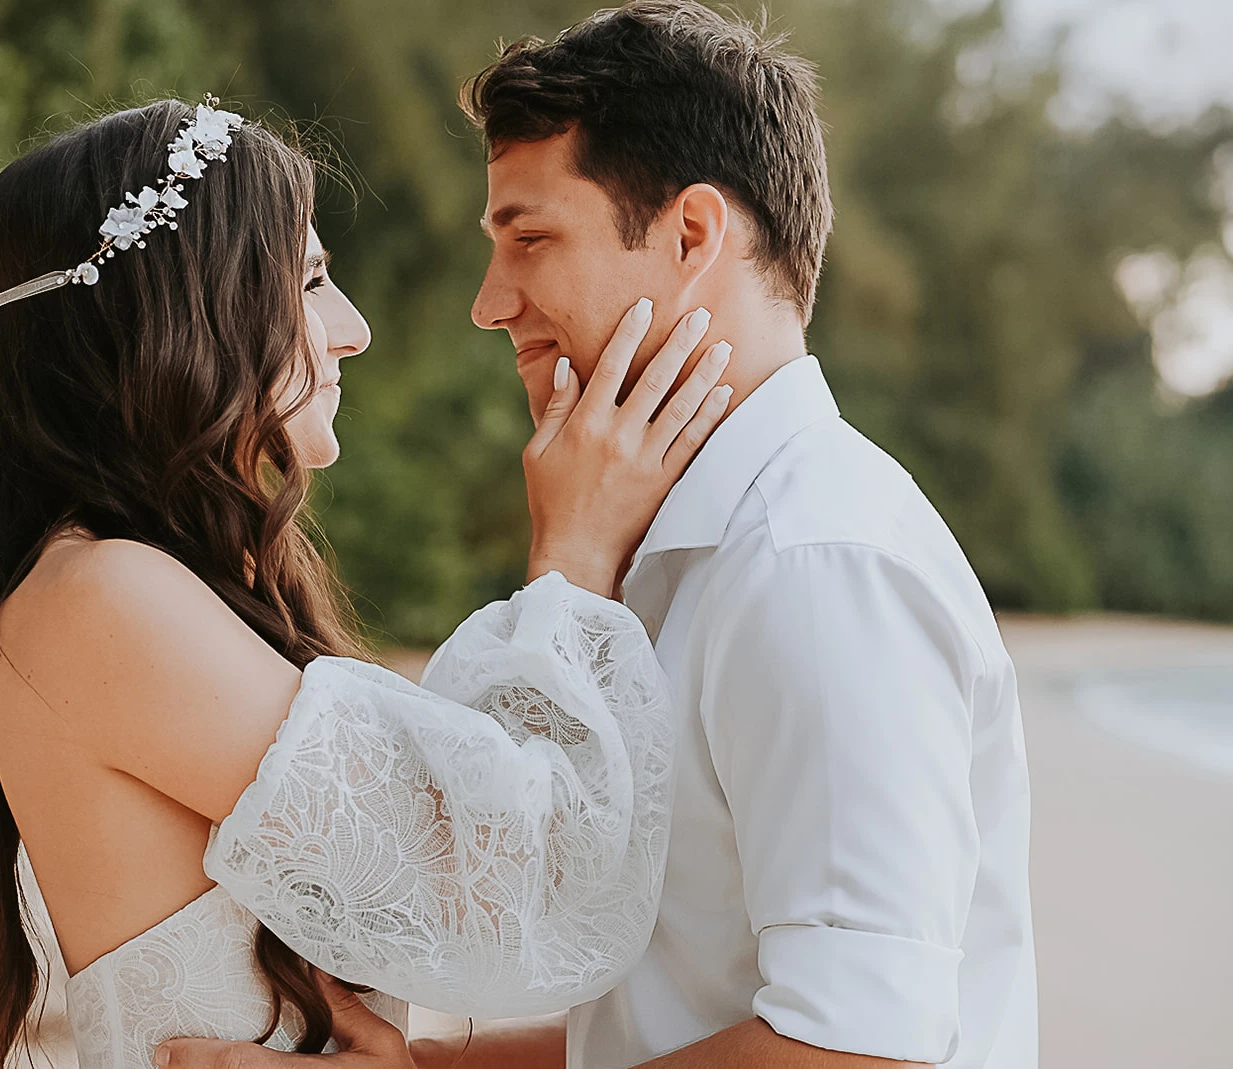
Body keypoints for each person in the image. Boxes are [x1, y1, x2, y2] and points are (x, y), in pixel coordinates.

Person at [160, 3, 1036, 1068]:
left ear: (691, 236)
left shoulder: (814, 563)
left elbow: (854, 1049)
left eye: (530, 239)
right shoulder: (686, 547)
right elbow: (669, 1006)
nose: (490, 304)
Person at [0, 94, 736, 1069]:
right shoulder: (99, 597)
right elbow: (510, 892)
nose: (351, 330)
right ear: (182, 308)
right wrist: (574, 560)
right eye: (308, 279)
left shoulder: (130, 587)